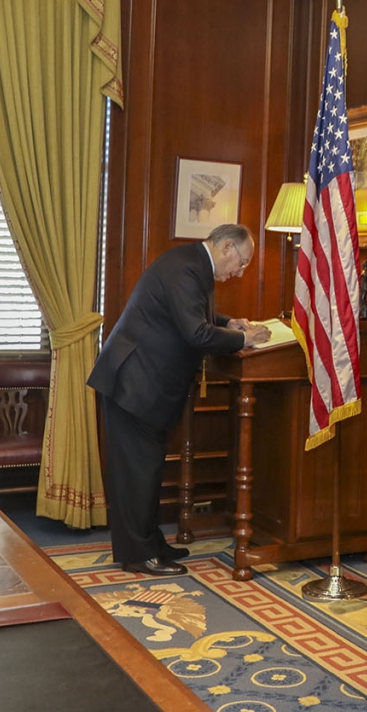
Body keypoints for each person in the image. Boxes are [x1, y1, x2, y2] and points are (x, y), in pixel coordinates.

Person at [88, 224, 271, 576]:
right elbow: (196, 332)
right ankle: (137, 555)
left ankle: (151, 543)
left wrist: (228, 321)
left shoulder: (192, 264)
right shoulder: (186, 266)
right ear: (227, 247)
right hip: (134, 382)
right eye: (242, 262)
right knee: (136, 472)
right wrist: (242, 338)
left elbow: (188, 314)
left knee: (148, 468)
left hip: (143, 383)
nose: (240, 271)